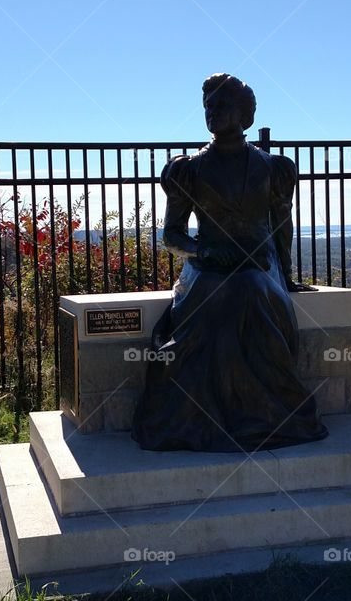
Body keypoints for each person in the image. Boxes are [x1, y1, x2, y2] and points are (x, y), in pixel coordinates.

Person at [131, 73, 328, 452]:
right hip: (206, 264)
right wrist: (205, 253)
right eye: (208, 106)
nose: (212, 112)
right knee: (220, 293)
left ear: (244, 114)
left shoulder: (273, 168)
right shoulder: (189, 169)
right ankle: (205, 418)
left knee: (248, 288)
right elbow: (171, 235)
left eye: (221, 106)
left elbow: (281, 229)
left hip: (260, 265)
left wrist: (284, 276)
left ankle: (266, 412)